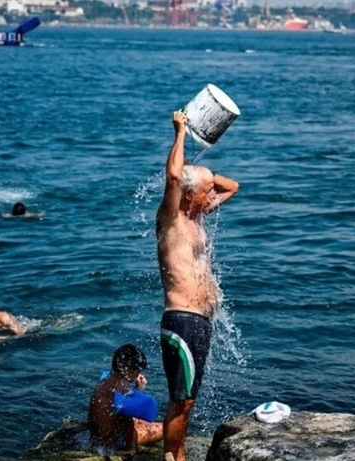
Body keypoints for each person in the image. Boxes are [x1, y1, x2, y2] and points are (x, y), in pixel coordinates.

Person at [156, 111, 239, 461]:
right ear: (188, 196)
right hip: (183, 321)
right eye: (207, 193)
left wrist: (204, 171)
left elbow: (233, 186)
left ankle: (180, 454)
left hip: (199, 322)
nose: (213, 197)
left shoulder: (196, 216)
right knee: (181, 400)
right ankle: (172, 457)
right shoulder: (172, 219)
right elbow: (174, 175)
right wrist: (179, 132)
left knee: (188, 400)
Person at [88, 344, 163, 455]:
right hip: (114, 441)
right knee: (165, 428)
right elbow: (127, 421)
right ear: (129, 370)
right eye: (137, 372)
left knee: (143, 421)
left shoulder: (105, 382)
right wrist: (130, 447)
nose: (137, 375)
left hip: (97, 435)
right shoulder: (121, 388)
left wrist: (138, 390)